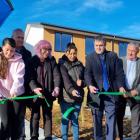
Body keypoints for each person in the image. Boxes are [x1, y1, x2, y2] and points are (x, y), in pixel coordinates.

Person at [84, 35, 126, 140]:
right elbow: (87, 74)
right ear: (94, 45)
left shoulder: (113, 56)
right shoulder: (89, 58)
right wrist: (90, 85)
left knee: (111, 120)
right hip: (96, 94)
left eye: (101, 45)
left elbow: (119, 73)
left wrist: (121, 86)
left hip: (111, 94)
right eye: (96, 45)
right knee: (97, 120)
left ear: (105, 45)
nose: (98, 47)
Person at [29, 40, 61, 140]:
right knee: (35, 116)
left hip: (48, 93)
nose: (47, 52)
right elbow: (30, 78)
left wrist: (56, 87)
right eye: (45, 49)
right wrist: (34, 88)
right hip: (36, 93)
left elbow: (57, 76)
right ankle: (34, 136)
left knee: (47, 116)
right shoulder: (33, 60)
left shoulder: (51, 60)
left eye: (49, 49)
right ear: (39, 49)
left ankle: (48, 136)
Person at [58, 42, 85, 140]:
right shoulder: (62, 65)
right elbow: (65, 81)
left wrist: (82, 83)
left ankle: (76, 138)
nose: (72, 56)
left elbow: (85, 78)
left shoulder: (80, 65)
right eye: (70, 53)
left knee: (75, 120)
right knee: (65, 120)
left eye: (74, 53)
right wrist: (72, 90)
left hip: (78, 98)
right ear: (66, 53)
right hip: (66, 98)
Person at [0, 38, 25, 140]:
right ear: (2, 48)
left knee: (16, 122)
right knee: (5, 122)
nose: (9, 53)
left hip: (16, 95)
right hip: (2, 95)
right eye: (7, 50)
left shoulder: (20, 61)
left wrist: (14, 90)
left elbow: (18, 78)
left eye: (12, 50)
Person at [12, 28, 32, 139]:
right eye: (18, 37)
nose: (20, 39)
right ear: (12, 37)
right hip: (7, 92)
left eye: (22, 38)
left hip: (22, 91)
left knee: (20, 117)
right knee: (8, 119)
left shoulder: (27, 54)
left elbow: (29, 74)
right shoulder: (7, 51)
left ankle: (21, 137)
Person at [122, 42, 140, 140]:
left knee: (135, 120)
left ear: (137, 51)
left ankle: (135, 138)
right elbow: (116, 76)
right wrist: (120, 87)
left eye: (133, 51)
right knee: (118, 117)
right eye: (129, 50)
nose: (130, 53)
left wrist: (137, 90)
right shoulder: (120, 60)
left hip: (135, 95)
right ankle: (118, 136)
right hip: (121, 93)